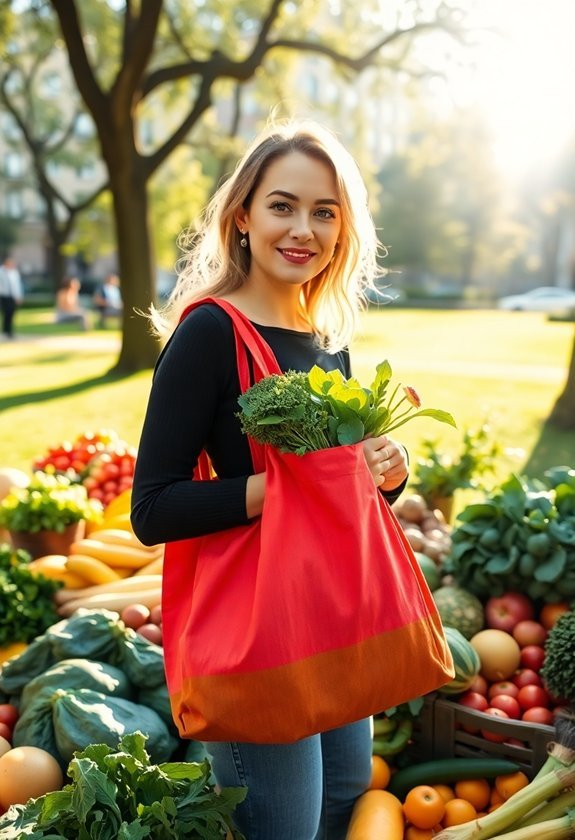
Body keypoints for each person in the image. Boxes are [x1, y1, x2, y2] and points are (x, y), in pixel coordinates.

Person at [131, 120, 410, 840]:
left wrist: (383, 476)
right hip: (259, 632)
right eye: (282, 205)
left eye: (324, 211)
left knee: (345, 795)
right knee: (284, 827)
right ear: (243, 217)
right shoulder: (209, 333)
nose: (302, 229)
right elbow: (152, 509)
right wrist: (277, 489)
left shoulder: (326, 341)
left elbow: (342, 493)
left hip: (333, 616)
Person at [0, 256, 23, 340]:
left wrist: (18, 296)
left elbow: (17, 286)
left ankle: (9, 330)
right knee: (6, 312)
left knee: (12, 312)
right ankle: (6, 330)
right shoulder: (1, 272)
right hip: (4, 295)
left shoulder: (14, 273)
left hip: (12, 296)